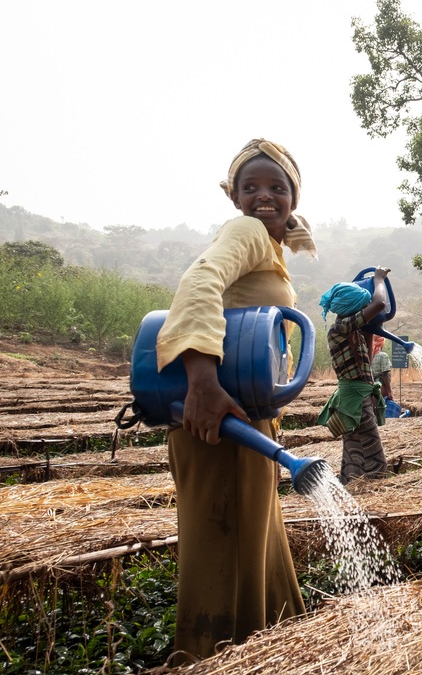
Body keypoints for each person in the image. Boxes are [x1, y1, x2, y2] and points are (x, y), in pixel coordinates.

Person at [155, 139, 313, 664]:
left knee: (257, 544)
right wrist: (201, 379)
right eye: (251, 187)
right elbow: (199, 280)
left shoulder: (271, 246)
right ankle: (215, 657)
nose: (263, 196)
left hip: (244, 420)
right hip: (216, 418)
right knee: (224, 554)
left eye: (276, 187)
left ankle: (267, 651)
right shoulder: (245, 231)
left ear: (294, 196)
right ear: (235, 197)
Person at [317, 268, 393, 483]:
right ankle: (371, 493)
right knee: (374, 456)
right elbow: (379, 304)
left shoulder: (351, 332)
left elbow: (366, 363)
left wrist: (369, 330)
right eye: (362, 307)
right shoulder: (340, 328)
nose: (365, 310)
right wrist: (379, 279)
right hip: (354, 400)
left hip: (358, 397)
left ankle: (352, 488)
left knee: (354, 450)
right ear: (352, 308)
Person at [371, 335, 393, 399]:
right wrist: (389, 391)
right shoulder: (383, 356)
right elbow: (385, 374)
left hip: (368, 387)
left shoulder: (367, 355)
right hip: (380, 387)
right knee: (381, 407)